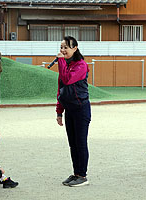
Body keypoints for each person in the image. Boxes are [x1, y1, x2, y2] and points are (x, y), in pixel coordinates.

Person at [56, 36, 91, 187]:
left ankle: (82, 175)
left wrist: (61, 62)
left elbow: (68, 79)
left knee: (80, 143)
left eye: (66, 47)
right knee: (72, 144)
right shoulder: (65, 64)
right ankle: (76, 173)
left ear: (75, 48)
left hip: (81, 109)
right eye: (61, 47)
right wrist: (59, 112)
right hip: (69, 109)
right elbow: (61, 90)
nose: (63, 50)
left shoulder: (81, 65)